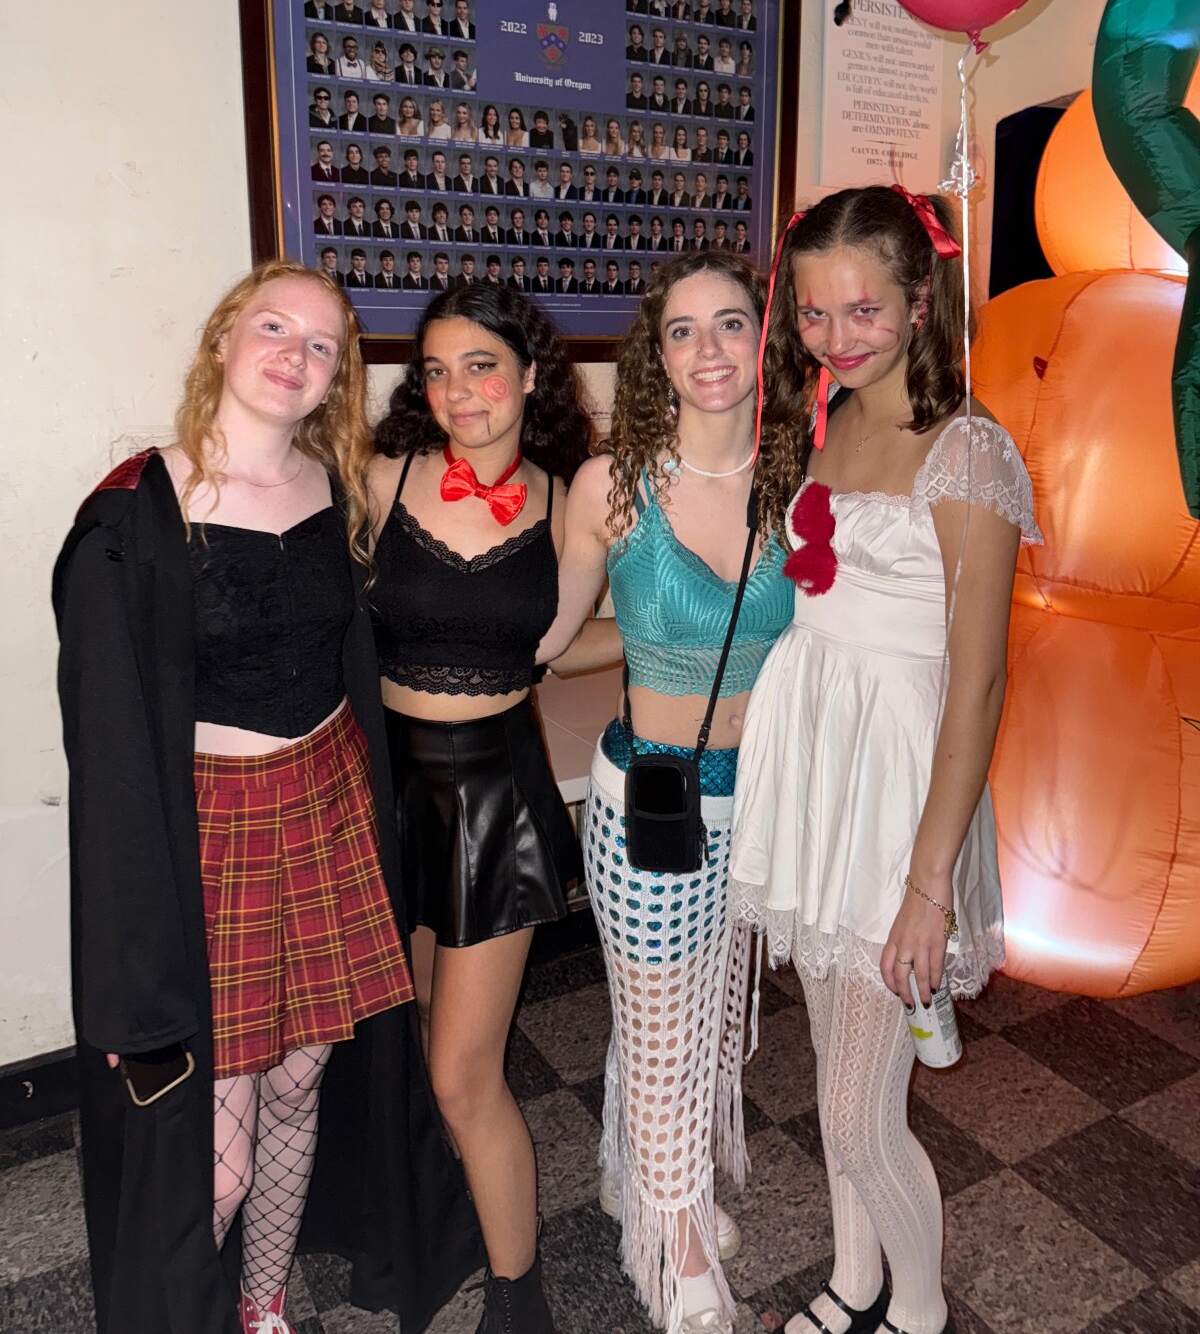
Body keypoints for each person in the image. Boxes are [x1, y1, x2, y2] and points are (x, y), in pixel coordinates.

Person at [54, 261, 482, 1334]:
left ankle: (263, 1304)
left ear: (338, 376)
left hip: (326, 808)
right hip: (210, 836)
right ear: (222, 341)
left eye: (323, 344)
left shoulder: (337, 490)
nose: (295, 355)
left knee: (299, 1084)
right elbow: (107, 756)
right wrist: (124, 971)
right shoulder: (135, 513)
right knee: (219, 1160)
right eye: (274, 328)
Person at [730, 186, 1040, 1334]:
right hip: (820, 764)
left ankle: (917, 1310)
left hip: (898, 789)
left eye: (862, 309)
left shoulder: (970, 452)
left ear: (919, 300)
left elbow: (979, 682)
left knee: (863, 1115)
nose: (836, 336)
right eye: (814, 312)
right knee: (835, 1073)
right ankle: (852, 1283)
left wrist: (927, 887)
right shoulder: (828, 415)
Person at [536, 254, 793, 1334]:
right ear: (657, 356)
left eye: (730, 323)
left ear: (764, 340)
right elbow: (554, 636)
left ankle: (630, 1171)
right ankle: (673, 1249)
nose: (709, 350)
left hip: (765, 798)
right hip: (650, 797)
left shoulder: (804, 480)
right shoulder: (615, 484)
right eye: (682, 331)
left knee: (711, 1020)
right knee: (660, 1028)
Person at [368, 285, 603, 1333]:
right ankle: (443, 1219)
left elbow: (566, 638)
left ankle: (520, 1298)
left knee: (465, 1071)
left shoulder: (570, 500)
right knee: (421, 1028)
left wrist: (682, 659)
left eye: (481, 365)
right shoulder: (382, 477)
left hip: (496, 792)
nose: (458, 392)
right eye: (436, 371)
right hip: (391, 787)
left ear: (530, 373)